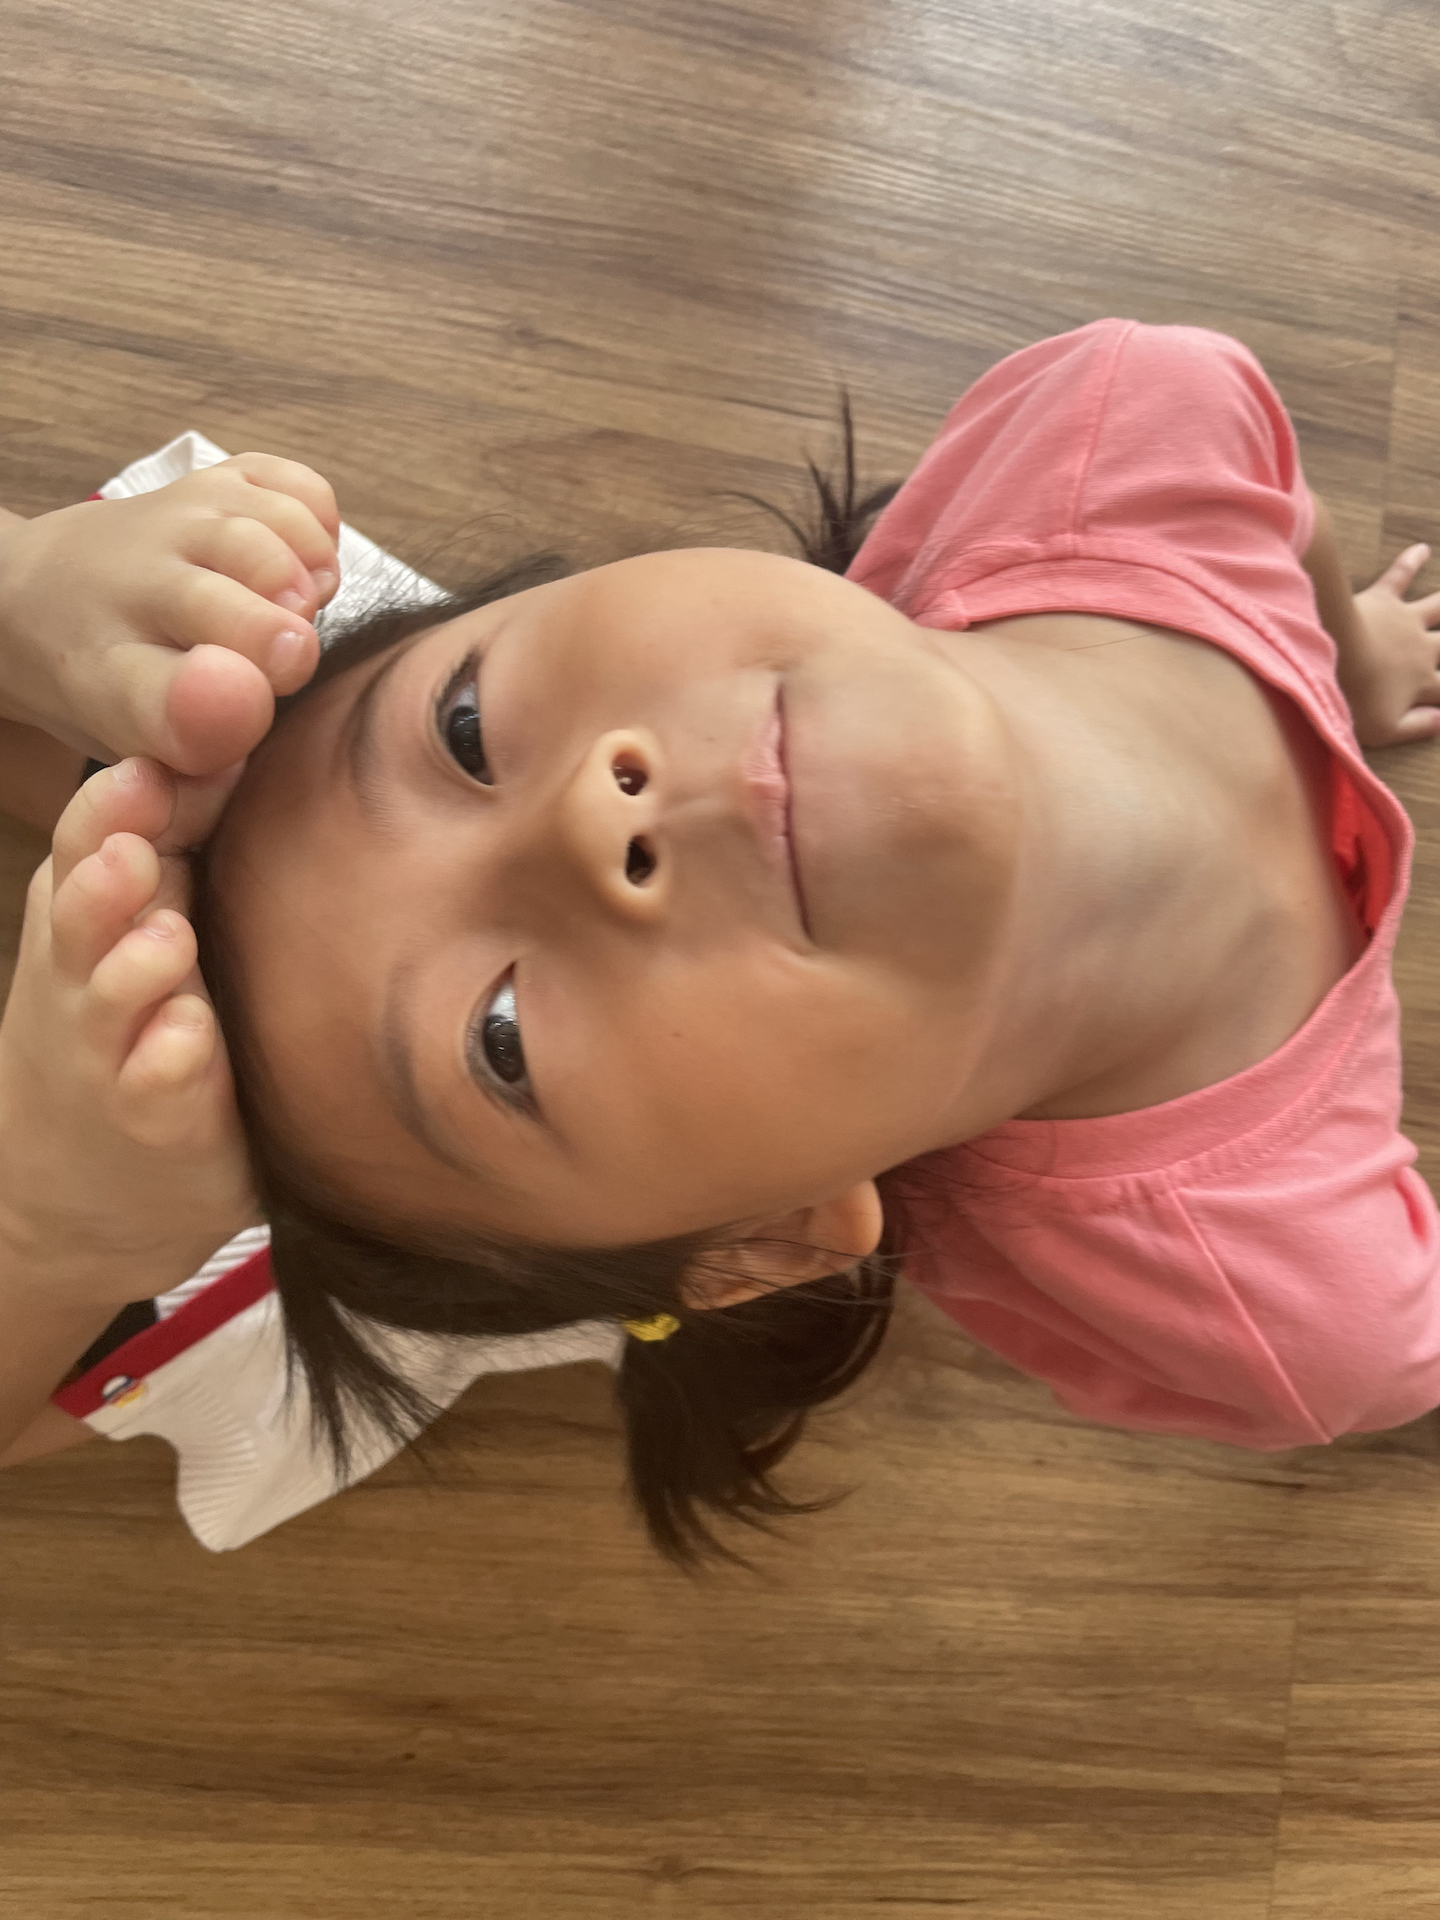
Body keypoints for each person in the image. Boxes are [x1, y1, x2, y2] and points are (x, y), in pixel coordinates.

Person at [7, 317, 1440, 1568]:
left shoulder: (1130, 416)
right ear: (766, 1244)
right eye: (500, 1042)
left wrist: (24, 593)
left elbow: (1270, 494)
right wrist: (61, 1226)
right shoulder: (1309, 1308)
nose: (589, 813)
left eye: (466, 729)